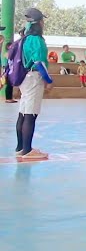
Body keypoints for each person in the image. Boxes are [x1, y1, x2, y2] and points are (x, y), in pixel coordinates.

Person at [14, 8, 52, 160]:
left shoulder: (24, 38)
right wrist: (49, 80)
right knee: (31, 114)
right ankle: (28, 150)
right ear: (40, 22)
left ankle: (20, 147)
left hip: (24, 77)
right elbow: (39, 63)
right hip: (34, 78)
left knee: (23, 112)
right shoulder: (36, 39)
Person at [2, 39, 18, 103]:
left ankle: (9, 98)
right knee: (9, 84)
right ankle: (8, 98)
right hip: (8, 71)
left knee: (10, 84)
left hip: (10, 71)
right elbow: (8, 64)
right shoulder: (7, 54)